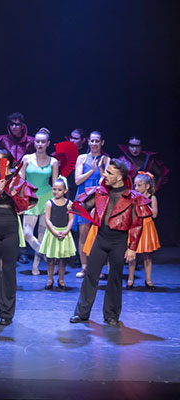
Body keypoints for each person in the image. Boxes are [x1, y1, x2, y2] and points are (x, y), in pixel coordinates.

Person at [70, 159, 151, 326]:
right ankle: (81, 313)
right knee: (90, 275)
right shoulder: (101, 192)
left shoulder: (132, 198)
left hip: (118, 241)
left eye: (109, 173)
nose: (105, 175)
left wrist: (132, 248)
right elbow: (84, 206)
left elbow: (137, 225)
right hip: (101, 239)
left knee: (115, 278)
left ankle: (111, 315)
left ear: (119, 177)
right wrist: (73, 207)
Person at [0, 149, 37, 326]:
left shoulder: (19, 182)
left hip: (11, 226)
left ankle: (7, 313)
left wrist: (12, 192)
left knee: (9, 271)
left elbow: (24, 206)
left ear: (7, 163)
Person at [20, 128, 59, 275]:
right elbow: (20, 181)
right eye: (37, 141)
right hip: (30, 197)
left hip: (46, 197)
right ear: (34, 143)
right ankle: (47, 257)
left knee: (42, 235)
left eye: (43, 142)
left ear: (48, 143)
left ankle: (35, 267)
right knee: (27, 234)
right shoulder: (26, 159)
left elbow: (55, 184)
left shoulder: (53, 161)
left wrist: (57, 201)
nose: (40, 144)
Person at [72, 131, 109, 278]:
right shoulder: (82, 158)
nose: (94, 144)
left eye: (97, 141)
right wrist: (92, 170)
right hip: (84, 198)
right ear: (88, 141)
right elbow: (77, 180)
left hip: (99, 199)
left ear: (102, 143)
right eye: (92, 141)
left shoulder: (106, 159)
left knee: (98, 235)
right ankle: (84, 267)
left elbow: (107, 181)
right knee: (83, 233)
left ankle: (97, 267)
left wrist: (100, 169)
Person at [39, 178, 76, 291]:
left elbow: (71, 219)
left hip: (64, 232)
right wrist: (54, 231)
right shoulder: (49, 203)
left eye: (59, 190)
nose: (56, 192)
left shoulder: (69, 203)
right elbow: (47, 219)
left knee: (62, 260)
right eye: (54, 189)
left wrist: (66, 231)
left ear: (65, 191)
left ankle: (61, 279)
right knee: (50, 259)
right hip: (52, 233)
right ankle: (50, 279)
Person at [127, 172, 160, 290]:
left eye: (139, 185)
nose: (136, 188)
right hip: (135, 226)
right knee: (132, 255)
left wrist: (144, 202)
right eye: (135, 185)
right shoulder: (133, 198)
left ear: (147, 186)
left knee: (147, 256)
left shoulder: (152, 198)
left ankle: (148, 279)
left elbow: (154, 214)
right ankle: (130, 279)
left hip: (147, 227)